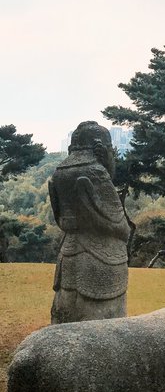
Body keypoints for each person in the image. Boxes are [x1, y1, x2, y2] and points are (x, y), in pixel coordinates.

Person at [49, 121, 132, 323]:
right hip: (101, 264)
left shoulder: (60, 173)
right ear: (102, 149)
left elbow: (61, 220)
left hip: (68, 258)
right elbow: (122, 228)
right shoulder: (97, 173)